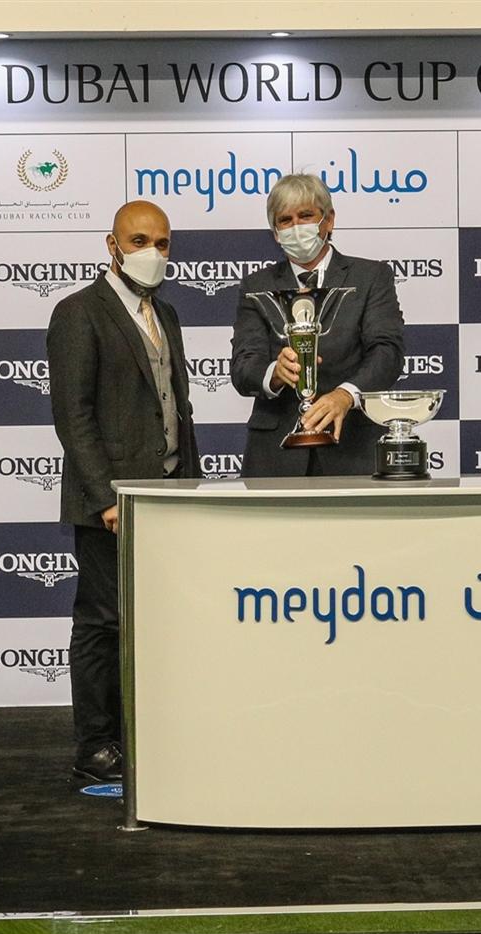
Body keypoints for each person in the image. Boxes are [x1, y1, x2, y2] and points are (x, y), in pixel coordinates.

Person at [47, 200, 201, 784]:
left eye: (162, 243)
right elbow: (73, 416)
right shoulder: (78, 313)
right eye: (139, 240)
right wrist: (107, 496)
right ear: (111, 245)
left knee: (157, 620)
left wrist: (189, 486)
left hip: (168, 496)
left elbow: (176, 410)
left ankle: (147, 731)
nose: (152, 253)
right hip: (110, 504)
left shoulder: (169, 315)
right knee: (102, 621)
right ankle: (96, 744)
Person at [230, 173, 405, 476]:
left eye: (306, 215)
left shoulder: (371, 277)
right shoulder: (255, 285)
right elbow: (243, 367)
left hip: (352, 449)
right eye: (285, 220)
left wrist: (345, 395)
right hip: (274, 456)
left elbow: (387, 353)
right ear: (275, 232)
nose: (297, 227)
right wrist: (274, 373)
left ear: (329, 220)